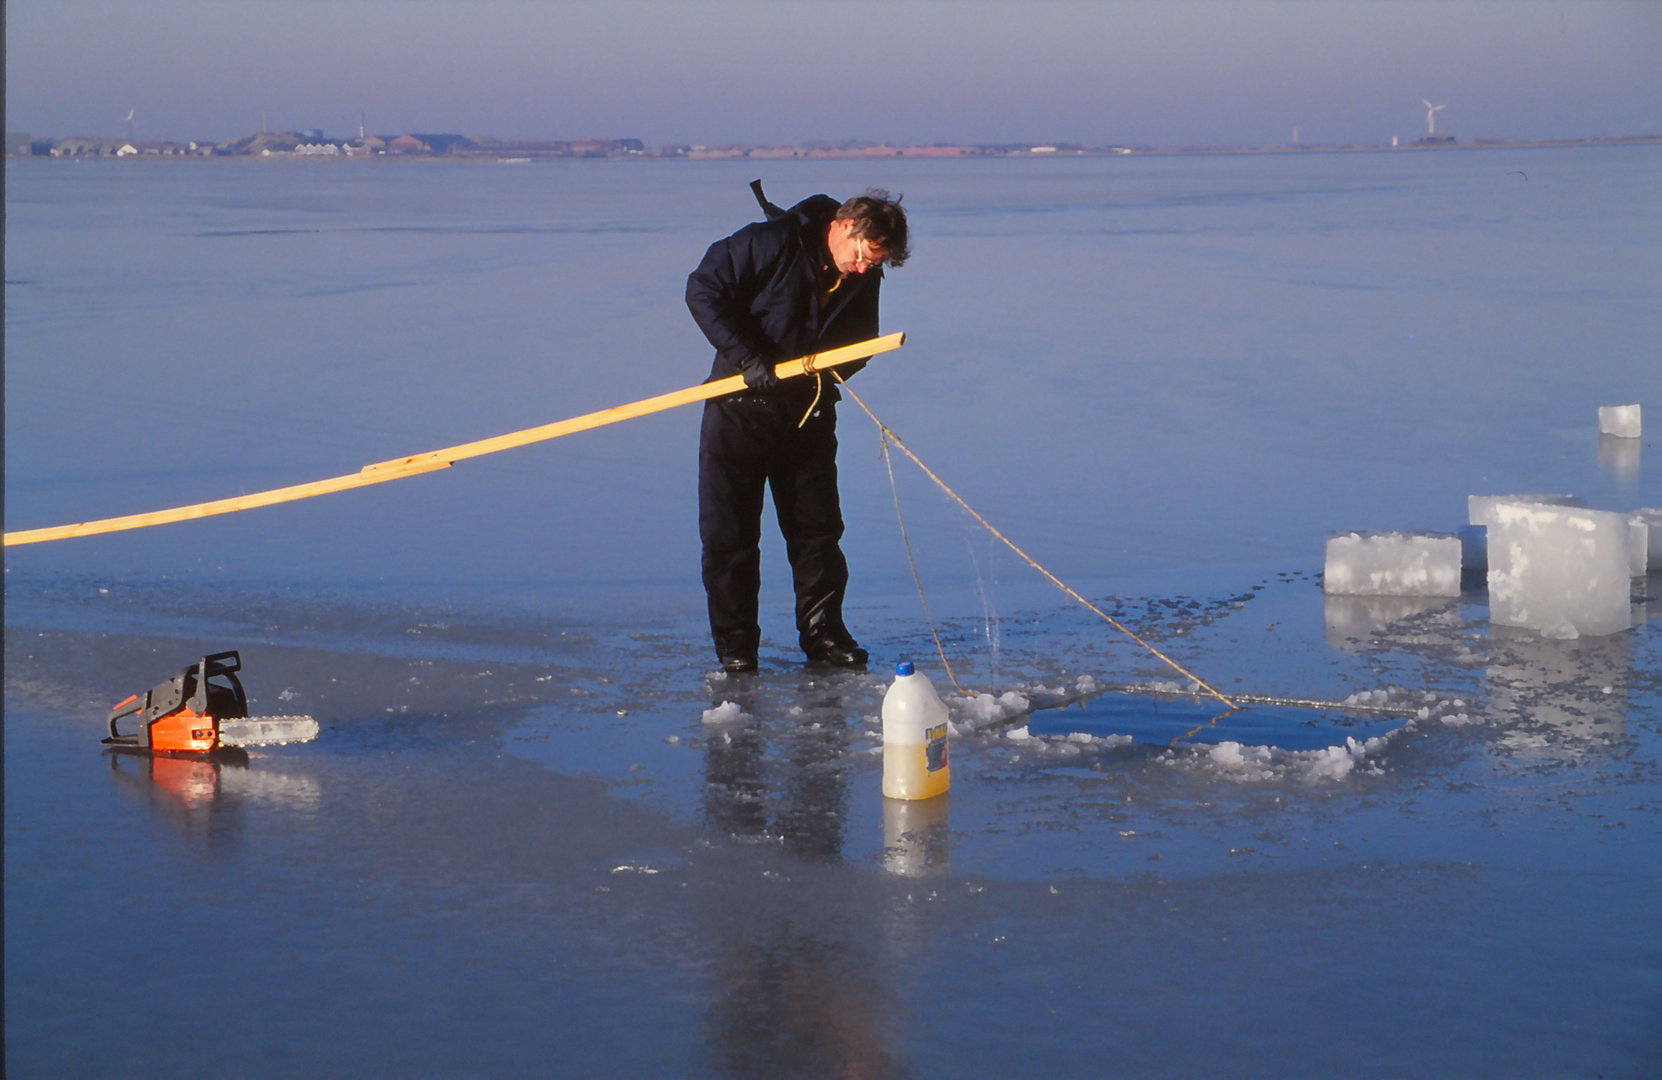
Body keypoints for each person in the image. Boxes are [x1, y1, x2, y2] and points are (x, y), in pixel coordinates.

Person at [686, 183, 910, 674]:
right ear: (846, 227)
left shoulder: (862, 273)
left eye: (878, 262)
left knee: (817, 535)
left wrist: (824, 373)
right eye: (867, 256)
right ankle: (737, 648)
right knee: (730, 539)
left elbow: (860, 343)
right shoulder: (770, 242)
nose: (869, 268)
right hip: (737, 409)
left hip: (807, 413)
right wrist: (748, 357)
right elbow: (703, 288)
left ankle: (823, 634)